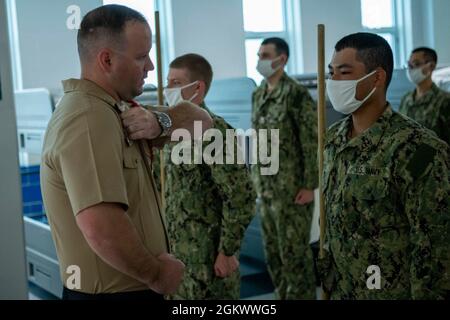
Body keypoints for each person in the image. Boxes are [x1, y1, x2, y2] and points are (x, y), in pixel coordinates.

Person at [40, 4, 212, 300]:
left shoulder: (118, 109)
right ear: (106, 59)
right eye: (141, 57)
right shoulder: (88, 117)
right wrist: (156, 275)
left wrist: (160, 122)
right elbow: (100, 225)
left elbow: (202, 122)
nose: (151, 68)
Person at [321, 32, 450, 299]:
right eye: (331, 73)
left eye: (344, 73)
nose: (333, 82)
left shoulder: (418, 150)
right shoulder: (333, 139)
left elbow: (435, 250)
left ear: (377, 78)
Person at [149, 53, 255, 299]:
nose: (168, 89)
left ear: (198, 88)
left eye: (176, 83)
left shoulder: (212, 131)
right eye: (167, 82)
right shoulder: (168, 133)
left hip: (206, 260)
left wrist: (227, 251)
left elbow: (240, 196)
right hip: (175, 255)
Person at [251, 37, 318, 299]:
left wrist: (310, 185)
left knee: (295, 256)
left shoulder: (295, 94)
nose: (260, 61)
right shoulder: (258, 93)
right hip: (266, 188)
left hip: (292, 189)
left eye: (265, 55)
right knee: (273, 253)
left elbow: (311, 140)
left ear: (282, 59)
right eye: (259, 55)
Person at [399, 47, 450, 145]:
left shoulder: (444, 101)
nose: (411, 69)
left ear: (431, 66)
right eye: (409, 64)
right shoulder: (406, 99)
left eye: (416, 64)